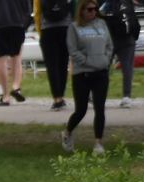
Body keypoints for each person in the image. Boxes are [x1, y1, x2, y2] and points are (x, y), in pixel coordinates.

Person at [64, 0, 113, 151]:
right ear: (82, 11)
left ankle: (98, 142)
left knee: (100, 108)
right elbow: (72, 50)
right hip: (82, 74)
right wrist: (86, 61)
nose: (93, 12)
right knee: (81, 110)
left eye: (95, 9)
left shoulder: (102, 25)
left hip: (101, 72)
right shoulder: (74, 27)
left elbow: (109, 45)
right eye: (90, 9)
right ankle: (67, 132)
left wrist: (105, 59)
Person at [0, 0, 31, 105]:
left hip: (0, 25)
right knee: (17, 58)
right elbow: (27, 9)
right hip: (18, 24)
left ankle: (6, 96)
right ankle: (16, 87)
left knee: (1, 60)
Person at [39, 0, 75, 110]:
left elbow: (36, 11)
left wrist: (39, 29)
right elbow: (73, 8)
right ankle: (61, 95)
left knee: (51, 66)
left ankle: (57, 98)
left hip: (47, 29)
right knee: (63, 65)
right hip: (65, 28)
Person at [101, 0, 137, 106]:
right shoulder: (128, 2)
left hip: (111, 38)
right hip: (128, 39)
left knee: (104, 67)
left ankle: (98, 94)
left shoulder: (108, 3)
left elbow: (99, 13)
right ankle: (126, 96)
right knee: (127, 68)